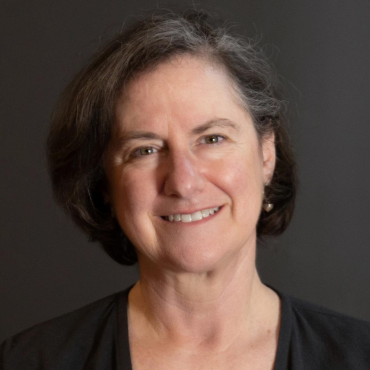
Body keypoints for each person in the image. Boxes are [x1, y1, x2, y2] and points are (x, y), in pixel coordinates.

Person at [2, 9, 370, 370]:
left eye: (212, 138)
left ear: (266, 155)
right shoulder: (28, 361)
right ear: (103, 187)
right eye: (144, 150)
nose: (183, 181)